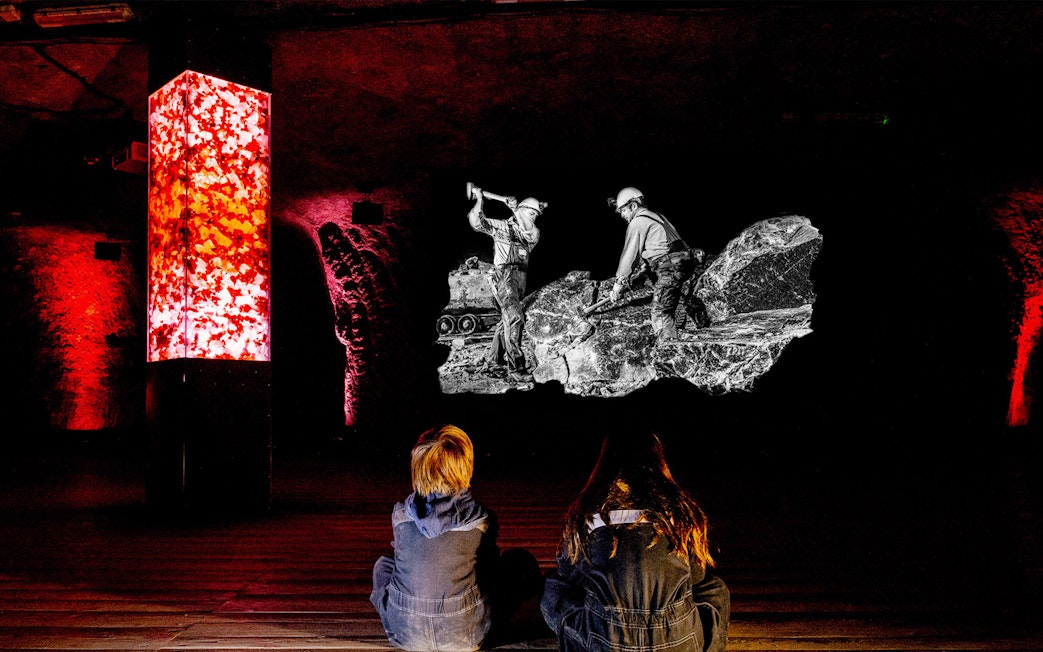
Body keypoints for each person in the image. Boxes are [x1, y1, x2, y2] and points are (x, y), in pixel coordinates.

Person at [540, 431, 730, 652]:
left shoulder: (592, 514)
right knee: (717, 589)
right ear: (658, 466)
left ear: (605, 467)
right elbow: (697, 577)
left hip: (605, 642)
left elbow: (567, 573)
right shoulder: (679, 515)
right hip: (677, 640)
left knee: (552, 587)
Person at [370, 424, 542, 651]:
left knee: (383, 564)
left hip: (405, 635)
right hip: (465, 636)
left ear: (417, 468)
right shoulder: (481, 519)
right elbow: (488, 570)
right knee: (519, 561)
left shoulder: (401, 515)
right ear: (465, 466)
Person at [467, 185, 545, 382]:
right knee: (514, 318)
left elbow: (528, 230)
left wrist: (515, 209)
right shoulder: (501, 227)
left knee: (506, 320)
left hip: (520, 279)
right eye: (531, 213)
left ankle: (494, 359)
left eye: (536, 214)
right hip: (504, 277)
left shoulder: (533, 235)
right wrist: (479, 199)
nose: (533, 217)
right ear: (522, 211)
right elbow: (476, 222)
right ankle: (516, 369)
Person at [608, 187, 702, 342]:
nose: (622, 215)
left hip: (670, 266)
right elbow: (663, 247)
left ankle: (669, 348)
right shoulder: (659, 217)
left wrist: (618, 284)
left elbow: (630, 256)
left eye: (623, 210)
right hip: (685, 262)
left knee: (660, 312)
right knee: (657, 284)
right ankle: (674, 305)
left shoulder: (638, 222)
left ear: (633, 206)